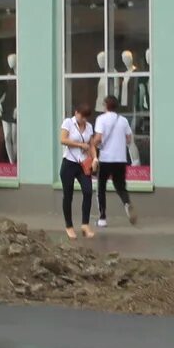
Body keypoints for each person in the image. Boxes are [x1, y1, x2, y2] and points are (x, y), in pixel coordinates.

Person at [58, 97, 100, 239]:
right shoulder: (68, 123)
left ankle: (85, 225)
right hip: (69, 163)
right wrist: (80, 145)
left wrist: (95, 158)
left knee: (88, 191)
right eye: (82, 116)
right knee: (68, 195)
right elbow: (63, 140)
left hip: (83, 164)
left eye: (86, 117)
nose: (83, 119)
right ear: (76, 113)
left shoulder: (89, 127)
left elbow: (92, 144)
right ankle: (69, 226)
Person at [94, 93, 137, 227]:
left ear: (106, 105)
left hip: (106, 159)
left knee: (101, 188)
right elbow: (129, 139)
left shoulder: (101, 119)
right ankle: (127, 203)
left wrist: (92, 145)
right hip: (120, 159)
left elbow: (98, 138)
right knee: (120, 186)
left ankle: (102, 219)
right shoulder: (123, 120)